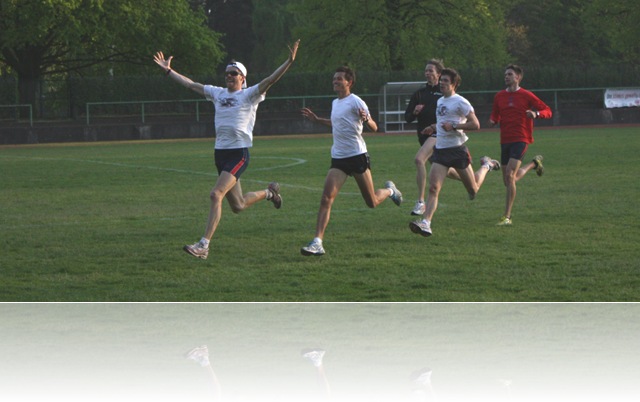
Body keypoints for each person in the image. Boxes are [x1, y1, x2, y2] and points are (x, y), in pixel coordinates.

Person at [153, 40, 300, 259]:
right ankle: (270, 193)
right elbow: (191, 84)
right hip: (220, 154)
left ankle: (204, 246)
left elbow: (270, 80)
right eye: (227, 73)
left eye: (234, 73)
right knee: (238, 206)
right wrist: (168, 71)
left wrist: (289, 62)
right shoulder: (217, 93)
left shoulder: (249, 95)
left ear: (242, 77)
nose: (229, 76)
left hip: (238, 153)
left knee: (216, 194)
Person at [300, 66, 403, 256]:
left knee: (371, 201)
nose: (335, 81)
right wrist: (317, 120)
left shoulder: (356, 101)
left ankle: (390, 190)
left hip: (357, 156)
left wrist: (366, 119)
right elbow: (336, 122)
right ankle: (317, 242)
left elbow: (374, 127)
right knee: (326, 198)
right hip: (338, 158)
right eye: (334, 78)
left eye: (339, 78)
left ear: (349, 82)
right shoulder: (335, 103)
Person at [409, 68, 500, 237]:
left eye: (445, 81)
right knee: (434, 188)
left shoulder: (461, 102)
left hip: (458, 150)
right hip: (441, 151)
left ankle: (487, 165)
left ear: (454, 84)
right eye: (441, 80)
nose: (442, 83)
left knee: (473, 190)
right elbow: (444, 122)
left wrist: (455, 127)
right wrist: (433, 127)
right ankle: (426, 223)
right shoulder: (441, 101)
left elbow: (476, 124)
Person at [489, 64, 552, 226]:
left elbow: (547, 110)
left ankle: (507, 217)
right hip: (505, 140)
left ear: (518, 77)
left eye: (510, 74)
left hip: (521, 138)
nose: (506, 77)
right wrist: (493, 121)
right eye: (505, 74)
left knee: (510, 176)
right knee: (509, 180)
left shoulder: (527, 95)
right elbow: (495, 115)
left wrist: (536, 114)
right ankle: (533, 164)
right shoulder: (499, 96)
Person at [404, 59, 460, 216]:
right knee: (443, 168)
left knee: (419, 159)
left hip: (438, 133)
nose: (427, 73)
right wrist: (414, 112)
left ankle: (421, 202)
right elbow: (407, 117)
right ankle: (467, 178)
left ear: (439, 74)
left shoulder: (444, 93)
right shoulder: (419, 94)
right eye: (426, 70)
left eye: (431, 70)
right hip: (423, 136)